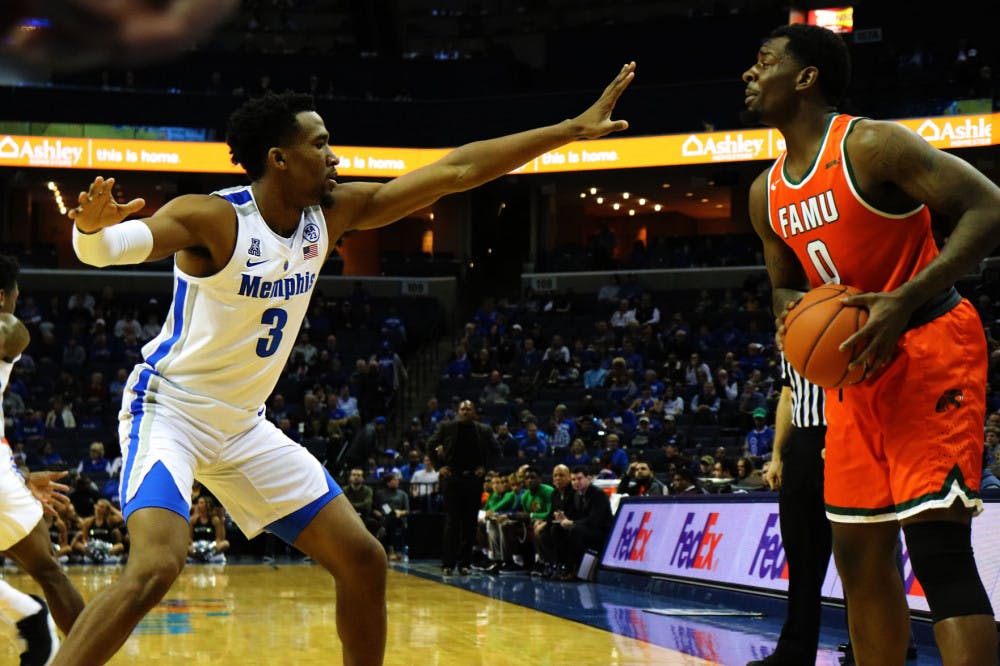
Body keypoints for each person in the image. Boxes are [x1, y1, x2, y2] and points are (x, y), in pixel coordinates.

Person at [62, 63, 633, 664]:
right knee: (157, 564)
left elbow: (456, 170)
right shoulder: (214, 217)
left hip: (242, 424)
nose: (335, 155)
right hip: (170, 410)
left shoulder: (330, 216)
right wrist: (90, 235)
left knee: (363, 560)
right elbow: (114, 248)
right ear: (280, 158)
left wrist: (569, 130)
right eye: (322, 143)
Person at [743, 23, 1000, 664]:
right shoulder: (763, 193)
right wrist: (794, 319)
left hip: (929, 343)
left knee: (937, 550)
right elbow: (784, 287)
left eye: (764, 62)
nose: (749, 73)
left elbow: (988, 207)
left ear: (806, 78)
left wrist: (903, 299)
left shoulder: (872, 145)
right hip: (854, 377)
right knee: (858, 554)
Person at [0, 254, 86, 664]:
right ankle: (31, 617)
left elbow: (11, 333)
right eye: (17, 295)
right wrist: (23, 476)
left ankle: (38, 622)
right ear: (5, 295)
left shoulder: (8, 331)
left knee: (49, 570)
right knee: (48, 570)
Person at [747, 355, 829, 666]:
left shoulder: (850, 317)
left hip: (847, 435)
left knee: (859, 558)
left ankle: (873, 649)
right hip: (802, 443)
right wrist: (778, 455)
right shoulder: (792, 342)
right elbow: (787, 395)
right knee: (801, 555)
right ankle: (795, 652)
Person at [429, 399, 499, 576]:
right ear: (458, 411)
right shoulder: (446, 427)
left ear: (474, 411)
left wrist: (486, 468)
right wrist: (439, 466)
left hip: (473, 480)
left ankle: (465, 563)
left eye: (469, 409)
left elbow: (496, 451)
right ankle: (448, 563)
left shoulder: (484, 429)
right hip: (453, 479)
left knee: (470, 523)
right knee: (452, 522)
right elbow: (430, 445)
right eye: (463, 409)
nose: (466, 411)